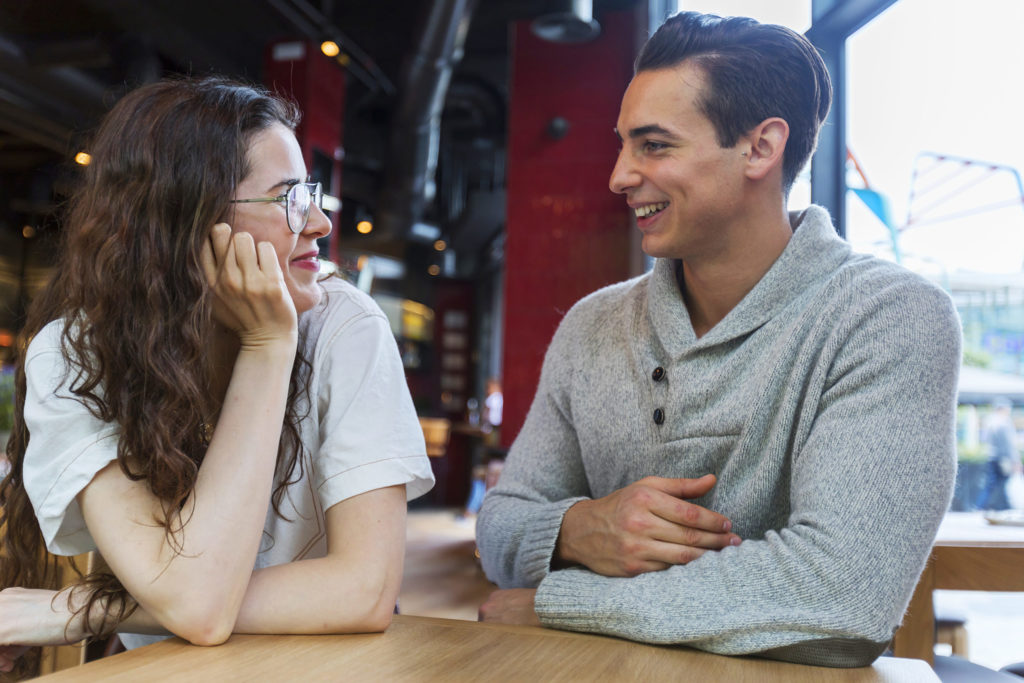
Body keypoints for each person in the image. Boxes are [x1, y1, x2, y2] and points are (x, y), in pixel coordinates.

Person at [476, 11, 961, 668]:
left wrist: (557, 600)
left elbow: (844, 592)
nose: (619, 175)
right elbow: (501, 523)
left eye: (653, 145)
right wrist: (577, 529)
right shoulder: (592, 326)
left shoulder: (891, 316)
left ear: (761, 148)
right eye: (622, 144)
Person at [0, 77, 434, 676]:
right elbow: (196, 605)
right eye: (287, 198)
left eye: (309, 192)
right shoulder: (76, 354)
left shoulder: (345, 326)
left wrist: (83, 608)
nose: (318, 224)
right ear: (185, 224)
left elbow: (363, 590)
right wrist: (265, 344)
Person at [974, 398, 1018, 510]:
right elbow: (1010, 445)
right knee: (1003, 484)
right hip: (1003, 458)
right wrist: (1015, 461)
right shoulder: (1004, 423)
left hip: (991, 456)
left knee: (991, 484)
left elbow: (984, 440)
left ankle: (981, 505)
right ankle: (1004, 506)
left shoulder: (990, 421)